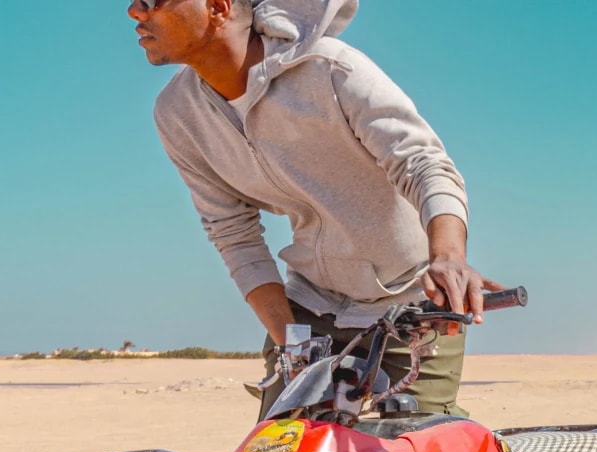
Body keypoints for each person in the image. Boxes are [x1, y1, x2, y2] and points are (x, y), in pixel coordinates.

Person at [134, 0, 496, 417]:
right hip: (309, 306)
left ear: (217, 7)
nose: (134, 13)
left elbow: (423, 164)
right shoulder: (177, 113)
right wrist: (291, 340)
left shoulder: (331, 70)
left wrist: (448, 259)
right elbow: (232, 231)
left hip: (411, 307)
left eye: (151, 1)